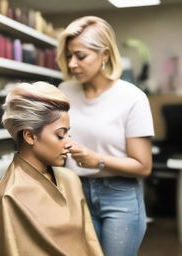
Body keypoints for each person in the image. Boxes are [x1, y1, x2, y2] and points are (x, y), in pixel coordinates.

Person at [57, 16, 154, 256]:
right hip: (75, 191)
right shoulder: (64, 91)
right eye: (69, 56)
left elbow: (143, 166)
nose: (72, 64)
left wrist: (97, 159)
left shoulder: (132, 98)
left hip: (119, 197)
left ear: (105, 54)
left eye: (81, 56)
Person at [0, 81, 103, 256]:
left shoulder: (70, 179)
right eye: (60, 135)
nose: (69, 143)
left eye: (67, 134)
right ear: (30, 136)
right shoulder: (9, 197)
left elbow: (90, 242)